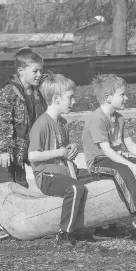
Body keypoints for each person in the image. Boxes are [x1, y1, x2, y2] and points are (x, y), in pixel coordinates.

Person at [0, 48, 46, 240]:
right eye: (35, 71)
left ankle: (18, 224)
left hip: (18, 150)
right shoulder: (8, 93)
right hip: (0, 150)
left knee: (20, 185)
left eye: (41, 71)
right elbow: (1, 123)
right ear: (20, 72)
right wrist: (3, 150)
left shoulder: (36, 93)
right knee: (3, 187)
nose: (39, 75)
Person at [82, 74, 136, 239]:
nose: (126, 98)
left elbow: (132, 146)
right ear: (108, 98)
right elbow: (106, 151)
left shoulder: (119, 118)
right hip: (98, 161)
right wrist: (130, 165)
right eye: (122, 95)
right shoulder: (97, 119)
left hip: (115, 157)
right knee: (124, 170)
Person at [28, 72, 89, 246]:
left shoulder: (63, 123)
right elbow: (32, 156)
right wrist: (59, 152)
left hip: (66, 171)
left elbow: (65, 149)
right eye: (70, 97)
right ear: (56, 98)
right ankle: (64, 234)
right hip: (47, 176)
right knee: (76, 189)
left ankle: (105, 226)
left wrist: (72, 148)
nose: (74, 102)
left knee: (100, 177)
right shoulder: (41, 124)